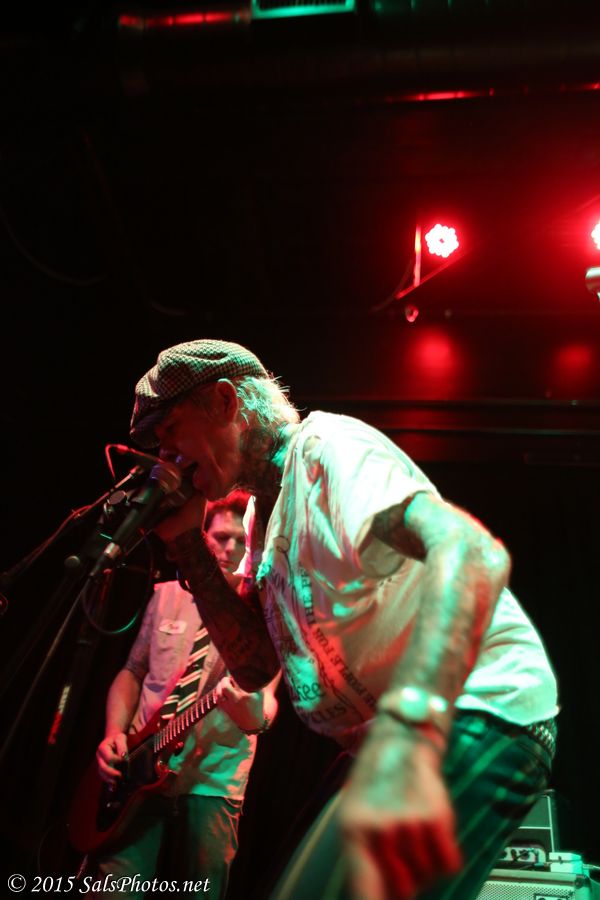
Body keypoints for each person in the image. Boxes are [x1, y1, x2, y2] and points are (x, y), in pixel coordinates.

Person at [127, 338, 559, 900]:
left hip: (479, 709)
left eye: (171, 431)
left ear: (226, 403)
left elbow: (469, 550)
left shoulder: (330, 452)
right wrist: (187, 543)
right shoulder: (260, 515)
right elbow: (255, 666)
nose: (167, 456)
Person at [95, 488, 279, 899]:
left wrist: (248, 709)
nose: (230, 548)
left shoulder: (266, 618)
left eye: (241, 540)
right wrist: (113, 732)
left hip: (214, 784)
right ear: (201, 536)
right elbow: (132, 672)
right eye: (220, 537)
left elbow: (265, 710)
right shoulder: (165, 595)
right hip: (138, 769)